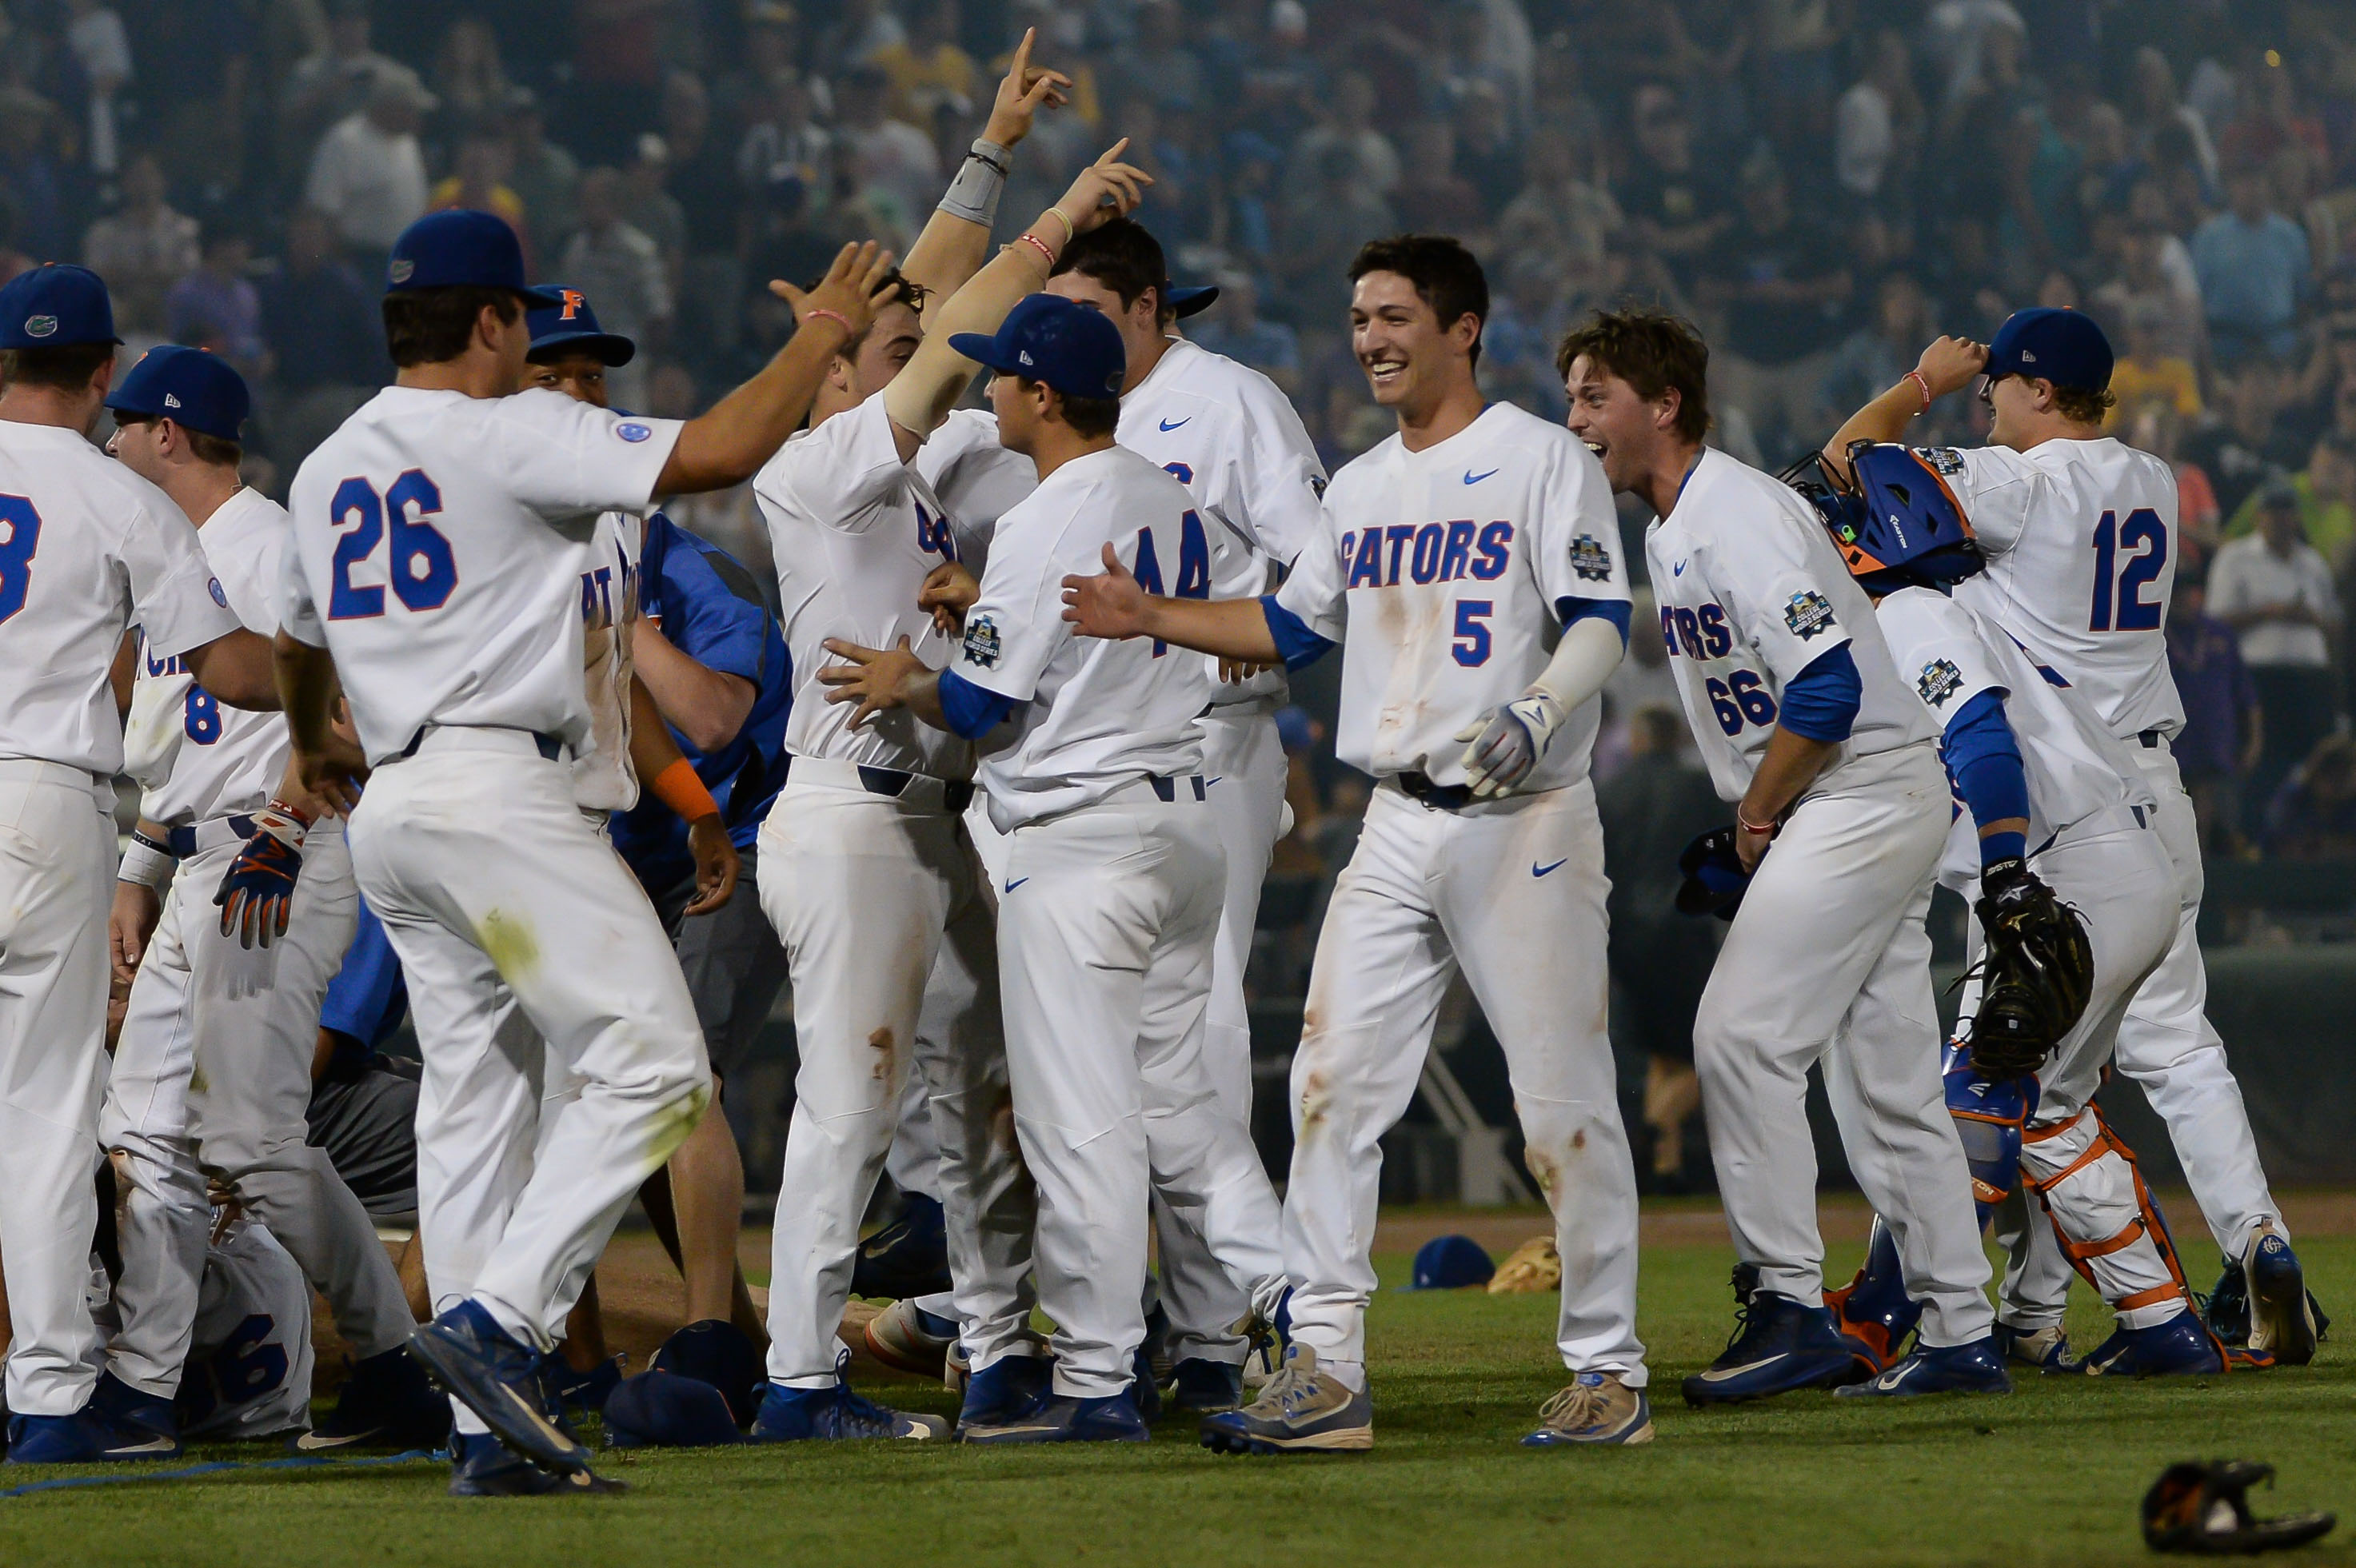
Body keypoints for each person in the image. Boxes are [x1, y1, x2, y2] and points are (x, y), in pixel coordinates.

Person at [273, 209, 898, 1496]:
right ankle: (499, 1325)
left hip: (398, 805)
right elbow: (725, 444)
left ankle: (482, 1438)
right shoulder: (514, 428)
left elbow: (292, 633)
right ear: (495, 321)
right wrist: (822, 336)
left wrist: (303, 742)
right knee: (662, 1072)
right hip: (506, 791)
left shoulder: (329, 460)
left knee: (476, 1109)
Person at [1064, 236, 1653, 1450]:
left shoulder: (1540, 459)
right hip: (1394, 820)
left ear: (1463, 327)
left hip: (1524, 819)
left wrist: (1542, 708)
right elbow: (1287, 623)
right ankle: (1325, 1368)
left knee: (1558, 1107)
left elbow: (1602, 616)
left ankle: (1607, 1371)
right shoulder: (1359, 484)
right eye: (1358, 320)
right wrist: (1149, 615)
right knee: (1328, 1085)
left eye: (1392, 316)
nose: (1370, 339)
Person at [747, 48, 1149, 1443]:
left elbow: (926, 301)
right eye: (879, 347)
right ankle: (799, 1378)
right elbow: (939, 323)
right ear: (835, 379)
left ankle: (994, 1352)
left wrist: (991, 145)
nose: (912, 350)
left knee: (979, 1107)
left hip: (935, 814)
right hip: (849, 815)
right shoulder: (812, 472)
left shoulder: (921, 473)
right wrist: (1056, 216)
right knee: (850, 1111)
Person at [821, 290, 1289, 1446]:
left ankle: (1091, 1384)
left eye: (1000, 377)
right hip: (1181, 827)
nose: (986, 390)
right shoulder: (1162, 495)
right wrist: (993, 612)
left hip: (1082, 845)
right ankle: (1301, 1300)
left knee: (1082, 1121)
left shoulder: (1042, 515)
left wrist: (903, 683)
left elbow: (983, 701)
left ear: (1040, 393)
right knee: (1184, 1116)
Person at [1827, 307, 2318, 1367]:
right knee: (2162, 1055)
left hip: (2051, 798)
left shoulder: (2013, 483)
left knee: (2001, 1071)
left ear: (2037, 389)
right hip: (2156, 790)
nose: (1983, 397)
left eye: (1995, 382)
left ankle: (1919, 1312)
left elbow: (1846, 479)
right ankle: (2250, 1245)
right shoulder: (2146, 477)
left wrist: (1916, 384)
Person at [1563, 307, 2000, 1405]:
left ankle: (1788, 1305)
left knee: (1739, 1036)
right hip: (1853, 794)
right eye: (1571, 395)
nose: (1574, 419)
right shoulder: (1672, 524)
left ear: (1661, 405)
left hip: (1852, 790)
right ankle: (1957, 1332)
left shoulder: (1731, 515)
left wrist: (1755, 818)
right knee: (1892, 1086)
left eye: (1592, 394)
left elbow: (1827, 688)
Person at [98, 346, 442, 1459]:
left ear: (166, 432)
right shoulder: (169, 555)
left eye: (123, 424)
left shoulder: (274, 541)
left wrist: (285, 832)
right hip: (202, 860)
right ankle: (143, 1394)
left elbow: (347, 717)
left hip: (277, 856)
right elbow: (172, 755)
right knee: (143, 1133)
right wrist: (141, 875)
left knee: (248, 1140)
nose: (108, 443)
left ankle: (394, 1362)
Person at [1826, 445, 2222, 1377]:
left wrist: (2005, 874)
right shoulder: (1960, 603)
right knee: (2042, 1108)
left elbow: (1982, 742)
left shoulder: (1916, 613)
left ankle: (1903, 1315)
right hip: (2118, 862)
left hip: (2066, 871)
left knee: (1976, 1103)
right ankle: (2160, 1321)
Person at [1044, 215, 1328, 1412]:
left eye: (1089, 312)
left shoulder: (1230, 402)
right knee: (1117, 1048)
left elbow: (1321, 580)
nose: (1061, 335)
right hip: (1091, 760)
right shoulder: (1065, 412)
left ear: (1151, 306)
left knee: (1195, 1030)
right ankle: (1185, 1320)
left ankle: (1227, 1334)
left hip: (1208, 746)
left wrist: (1214, 665)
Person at [0, 265, 278, 1463]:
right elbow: (228, 667)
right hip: (43, 801)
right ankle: (53, 1394)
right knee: (48, 1104)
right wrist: (343, 688)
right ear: (106, 373)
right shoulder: (118, 495)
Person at [521, 287, 779, 1402]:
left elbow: (713, 721)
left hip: (726, 851)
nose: (580, 393)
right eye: (554, 374)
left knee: (677, 1085)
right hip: (578, 852)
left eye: (593, 376)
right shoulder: (516, 543)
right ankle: (583, 1356)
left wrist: (632, 627)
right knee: (566, 1102)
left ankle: (716, 1343)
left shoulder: (677, 561)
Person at [2209, 477, 2344, 812]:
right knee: (2264, 765)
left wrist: (2311, 620)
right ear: (2259, 516)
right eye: (2273, 511)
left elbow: (2334, 622)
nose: (2281, 519)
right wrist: (2270, 612)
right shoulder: (2236, 556)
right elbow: (2215, 622)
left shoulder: (2312, 562)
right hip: (2261, 677)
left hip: (2312, 678)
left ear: (2296, 517)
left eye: (2287, 511)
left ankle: (2309, 842)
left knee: (2316, 766)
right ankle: (2257, 845)